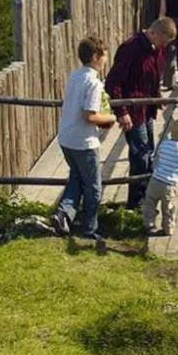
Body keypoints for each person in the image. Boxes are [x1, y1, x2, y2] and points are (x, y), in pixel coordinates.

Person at [105, 17, 177, 210]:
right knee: (140, 154)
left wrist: (157, 96)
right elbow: (113, 82)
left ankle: (146, 195)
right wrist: (122, 111)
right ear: (155, 33)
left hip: (147, 108)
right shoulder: (131, 48)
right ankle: (136, 202)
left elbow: (153, 76)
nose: (164, 46)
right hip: (132, 109)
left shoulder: (155, 49)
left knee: (148, 152)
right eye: (163, 41)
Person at [51, 37, 117, 240]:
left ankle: (64, 214)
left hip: (66, 138)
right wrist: (111, 118)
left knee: (77, 179)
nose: (105, 60)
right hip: (84, 142)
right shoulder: (93, 83)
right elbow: (90, 115)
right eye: (104, 56)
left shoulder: (75, 76)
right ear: (95, 57)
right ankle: (89, 228)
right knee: (93, 187)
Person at [142, 119, 178, 236]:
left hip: (155, 180)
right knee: (168, 208)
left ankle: (149, 224)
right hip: (169, 184)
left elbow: (159, 157)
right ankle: (168, 228)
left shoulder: (164, 144)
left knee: (150, 204)